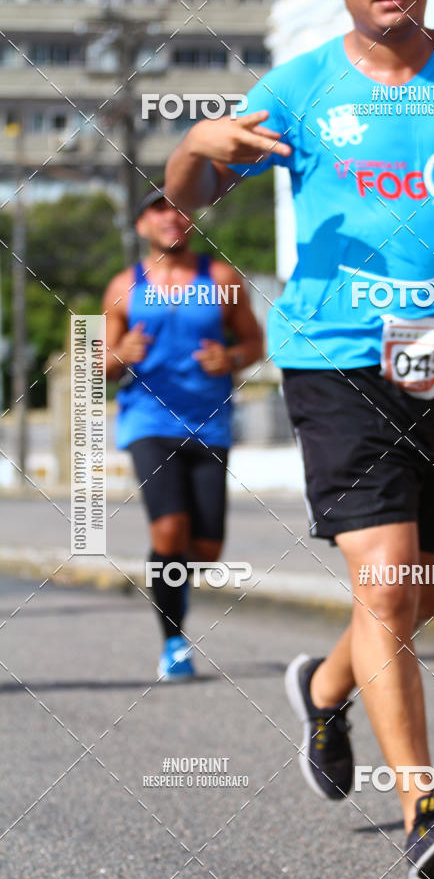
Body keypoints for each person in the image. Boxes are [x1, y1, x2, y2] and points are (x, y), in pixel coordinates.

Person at [164, 0, 434, 879]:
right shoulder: (298, 86)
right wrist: (191, 148)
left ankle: (324, 693)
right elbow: (191, 197)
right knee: (388, 585)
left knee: (421, 595)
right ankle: (424, 814)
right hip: (335, 357)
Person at [103, 188, 263, 681]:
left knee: (207, 548)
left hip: (210, 422)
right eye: (158, 209)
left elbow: (255, 340)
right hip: (148, 420)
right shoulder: (122, 287)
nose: (173, 217)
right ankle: (173, 640)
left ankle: (168, 578)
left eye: (180, 209)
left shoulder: (219, 278)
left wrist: (232, 359)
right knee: (169, 530)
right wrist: (119, 354)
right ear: (141, 226)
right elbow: (99, 364)